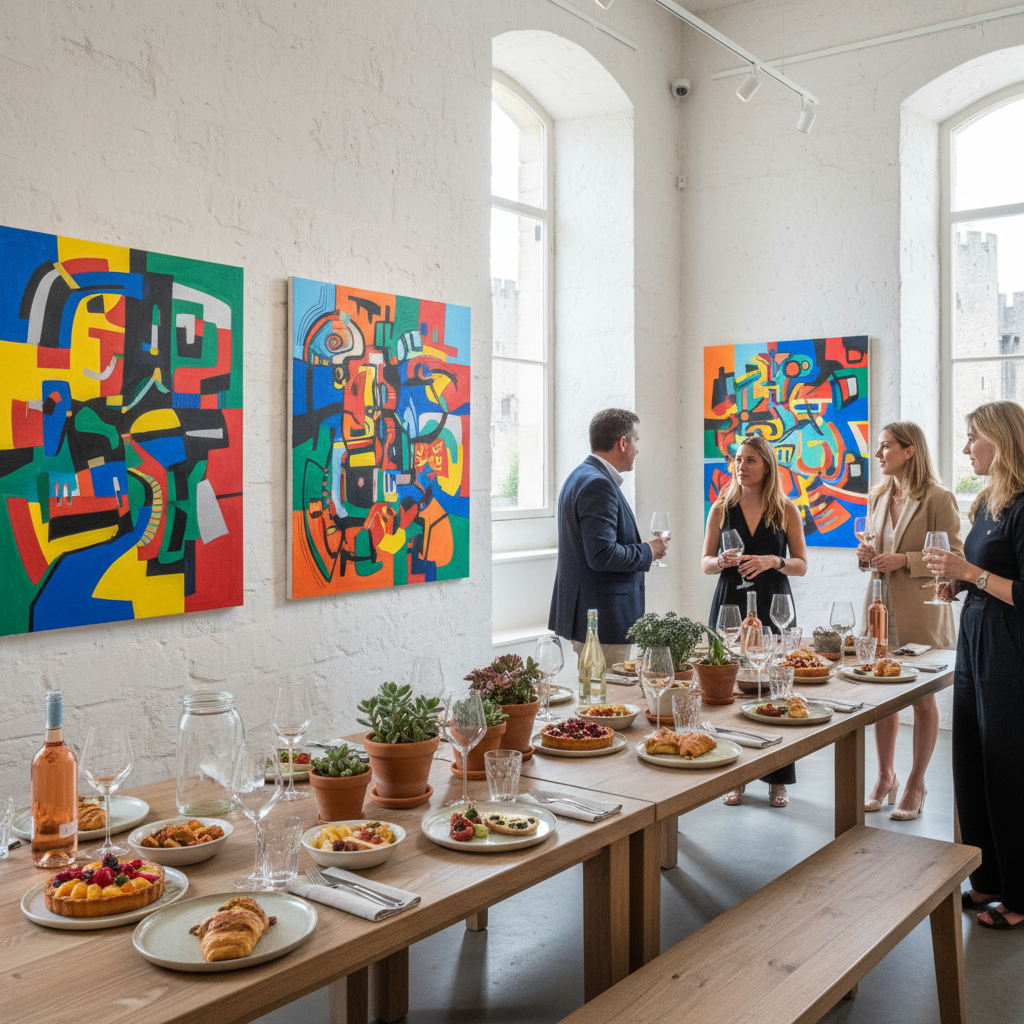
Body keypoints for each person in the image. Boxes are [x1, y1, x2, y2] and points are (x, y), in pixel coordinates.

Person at [924, 400, 1024, 931]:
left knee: (1008, 768)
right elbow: (985, 570)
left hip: (1011, 643)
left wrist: (971, 574)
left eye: (972, 438)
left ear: (1001, 440)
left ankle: (1020, 892)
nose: (965, 449)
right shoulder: (988, 500)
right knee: (971, 760)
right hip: (977, 633)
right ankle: (987, 875)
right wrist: (960, 581)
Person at [857, 422, 962, 822]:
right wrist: (865, 556)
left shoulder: (939, 498)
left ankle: (916, 783)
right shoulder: (878, 496)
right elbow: (871, 547)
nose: (879, 454)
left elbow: (953, 554)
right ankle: (885, 777)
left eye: (885, 447)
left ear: (909, 450)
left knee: (922, 699)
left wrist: (906, 560)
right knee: (881, 694)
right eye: (878, 447)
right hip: (880, 608)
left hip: (922, 608)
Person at [701, 434, 807, 807]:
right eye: (738, 460)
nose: (741, 467)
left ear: (767, 466)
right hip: (731, 602)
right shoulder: (720, 508)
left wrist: (770, 561)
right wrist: (721, 563)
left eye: (750, 461)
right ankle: (736, 776)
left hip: (774, 606)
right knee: (730, 690)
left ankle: (778, 780)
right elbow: (705, 562)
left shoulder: (786, 509)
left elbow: (801, 565)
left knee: (775, 688)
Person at [548, 409, 669, 665]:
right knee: (608, 702)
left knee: (598, 700)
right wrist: (649, 550)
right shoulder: (598, 484)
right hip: (604, 621)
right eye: (636, 441)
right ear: (622, 443)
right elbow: (602, 555)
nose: (637, 449)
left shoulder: (579, 476)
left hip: (591, 616)